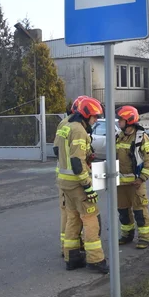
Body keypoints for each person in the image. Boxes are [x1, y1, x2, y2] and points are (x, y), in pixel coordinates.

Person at [55, 96, 109, 274]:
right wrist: (87, 186)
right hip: (77, 184)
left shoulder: (66, 126)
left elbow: (57, 150)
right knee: (91, 219)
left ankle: (72, 258)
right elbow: (77, 163)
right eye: (94, 117)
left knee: (72, 218)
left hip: (65, 183)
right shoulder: (79, 130)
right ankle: (95, 260)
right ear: (86, 115)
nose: (95, 120)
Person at [116, 105, 149, 249]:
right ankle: (127, 235)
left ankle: (144, 237)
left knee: (140, 211)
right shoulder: (118, 137)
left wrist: (142, 178)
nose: (119, 122)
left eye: (121, 119)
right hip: (120, 183)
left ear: (129, 121)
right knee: (123, 211)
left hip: (136, 182)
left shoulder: (141, 138)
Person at [54, 96, 86, 256]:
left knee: (66, 213)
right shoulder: (77, 127)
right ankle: (76, 246)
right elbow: (77, 160)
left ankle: (66, 248)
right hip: (74, 178)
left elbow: (55, 150)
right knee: (79, 214)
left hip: (61, 177)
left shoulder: (63, 123)